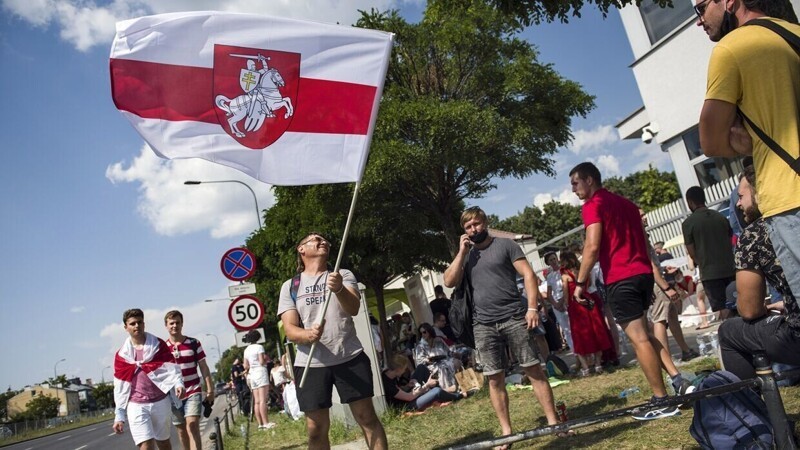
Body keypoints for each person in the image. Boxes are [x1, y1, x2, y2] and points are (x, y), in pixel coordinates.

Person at [696, 0, 800, 302]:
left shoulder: (732, 49)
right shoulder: (794, 33)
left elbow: (711, 141)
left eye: (701, 8)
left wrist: (745, 142)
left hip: (789, 198)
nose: (699, 21)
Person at [569, 162, 690, 421]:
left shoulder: (593, 205)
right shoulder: (627, 204)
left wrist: (580, 283)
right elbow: (646, 246)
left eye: (575, 183)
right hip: (642, 275)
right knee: (645, 333)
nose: (573, 190)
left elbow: (591, 246)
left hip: (621, 277)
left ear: (589, 180)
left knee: (639, 339)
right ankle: (677, 379)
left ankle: (662, 400)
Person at [443, 207, 562, 445]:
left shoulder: (506, 246)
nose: (473, 229)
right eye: (468, 227)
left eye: (476, 224)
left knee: (533, 370)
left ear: (485, 223)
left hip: (513, 317)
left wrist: (531, 308)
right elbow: (448, 281)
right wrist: (461, 252)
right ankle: (506, 433)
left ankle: (554, 423)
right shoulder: (467, 256)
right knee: (495, 379)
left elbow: (529, 274)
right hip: (482, 324)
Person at [277, 232, 387, 450]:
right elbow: (290, 329)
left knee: (367, 418)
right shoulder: (291, 285)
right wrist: (306, 334)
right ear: (301, 249)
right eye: (315, 240)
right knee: (315, 429)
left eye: (325, 241)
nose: (322, 242)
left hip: (350, 357)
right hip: (310, 363)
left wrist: (337, 289)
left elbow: (353, 308)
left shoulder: (342, 274)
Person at [113, 309, 184, 450]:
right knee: (146, 445)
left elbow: (171, 368)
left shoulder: (157, 346)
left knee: (163, 443)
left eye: (139, 322)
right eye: (132, 323)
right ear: (126, 327)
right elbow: (120, 387)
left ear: (144, 324)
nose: (136, 326)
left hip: (160, 402)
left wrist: (178, 383)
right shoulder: (122, 355)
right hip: (136, 405)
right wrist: (119, 415)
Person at [682, 186, 737, 321]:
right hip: (730, 268)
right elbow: (731, 240)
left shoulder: (688, 223)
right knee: (737, 304)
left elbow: (691, 252)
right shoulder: (720, 217)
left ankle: (733, 338)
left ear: (690, 202)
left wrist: (701, 261)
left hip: (710, 272)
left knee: (723, 309)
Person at [163, 310, 214, 450]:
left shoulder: (193, 343)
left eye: (177, 322)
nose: (175, 325)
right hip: (174, 396)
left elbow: (203, 367)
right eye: (171, 323)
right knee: (181, 430)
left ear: (182, 324)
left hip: (193, 390)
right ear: (166, 326)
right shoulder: (162, 348)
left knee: (192, 425)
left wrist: (210, 390)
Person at [559, 252, 612, 376]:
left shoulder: (565, 276)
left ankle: (586, 368)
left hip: (575, 306)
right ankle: (598, 364)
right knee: (595, 331)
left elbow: (566, 294)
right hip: (588, 302)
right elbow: (587, 286)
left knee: (579, 335)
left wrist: (566, 304)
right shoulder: (583, 272)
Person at [382, 354, 465, 412]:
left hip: (405, 395)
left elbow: (399, 390)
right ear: (398, 369)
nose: (404, 371)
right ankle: (459, 395)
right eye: (404, 369)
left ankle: (441, 393)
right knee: (437, 391)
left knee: (421, 368)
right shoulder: (388, 385)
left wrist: (408, 386)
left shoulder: (389, 374)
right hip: (406, 405)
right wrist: (427, 385)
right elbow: (409, 397)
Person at [242, 330, 275, 430]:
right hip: (260, 372)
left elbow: (245, 365)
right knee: (262, 400)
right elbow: (261, 361)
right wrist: (266, 360)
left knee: (256, 401)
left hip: (252, 374)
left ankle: (260, 424)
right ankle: (266, 422)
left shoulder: (246, 350)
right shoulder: (259, 347)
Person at [414, 322, 459, 393]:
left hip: (444, 360)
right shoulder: (420, 346)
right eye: (421, 333)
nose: (423, 334)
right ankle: (446, 390)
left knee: (456, 362)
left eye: (424, 332)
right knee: (442, 367)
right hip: (431, 365)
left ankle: (458, 384)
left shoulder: (439, 340)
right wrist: (428, 360)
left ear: (429, 331)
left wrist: (454, 354)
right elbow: (419, 362)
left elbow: (448, 351)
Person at [544, 252, 573, 351]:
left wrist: (562, 301)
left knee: (573, 327)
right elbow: (549, 293)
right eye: (550, 260)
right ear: (548, 263)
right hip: (556, 303)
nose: (553, 261)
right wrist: (555, 304)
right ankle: (575, 353)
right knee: (566, 330)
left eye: (554, 258)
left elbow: (567, 287)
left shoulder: (563, 271)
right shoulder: (549, 276)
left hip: (566, 300)